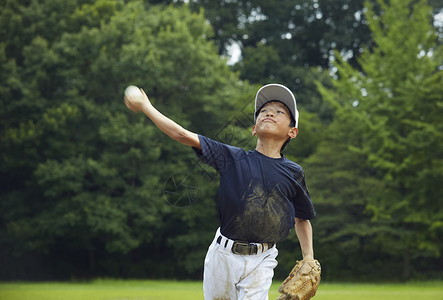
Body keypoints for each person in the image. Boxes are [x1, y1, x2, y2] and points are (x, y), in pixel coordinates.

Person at [124, 83, 316, 300]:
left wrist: (308, 258)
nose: (269, 112)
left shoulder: (293, 172)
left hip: (262, 258)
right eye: (263, 111)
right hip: (222, 256)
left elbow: (302, 218)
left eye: (280, 111)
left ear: (293, 131)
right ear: (254, 128)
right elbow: (181, 134)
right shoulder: (232, 158)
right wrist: (147, 106)